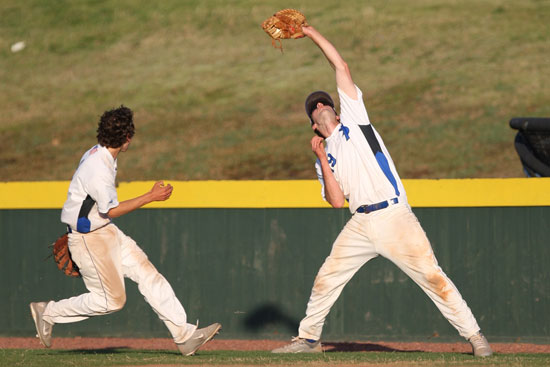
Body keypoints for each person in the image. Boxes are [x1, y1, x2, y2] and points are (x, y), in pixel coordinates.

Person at [271, 25, 493, 357]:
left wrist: (309, 31)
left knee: (432, 277)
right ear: (314, 124)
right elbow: (335, 202)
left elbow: (341, 67)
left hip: (393, 214)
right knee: (326, 278)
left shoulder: (356, 123)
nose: (320, 106)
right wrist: (321, 158)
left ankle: (476, 338)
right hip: (360, 222)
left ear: (338, 109)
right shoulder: (323, 158)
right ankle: (308, 340)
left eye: (324, 102)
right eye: (315, 108)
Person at [29, 106, 221, 356]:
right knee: (111, 301)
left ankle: (184, 336)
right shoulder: (98, 168)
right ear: (127, 138)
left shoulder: (100, 154)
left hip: (105, 232)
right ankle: (49, 312)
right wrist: (151, 196)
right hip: (90, 239)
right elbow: (112, 210)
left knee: (147, 272)